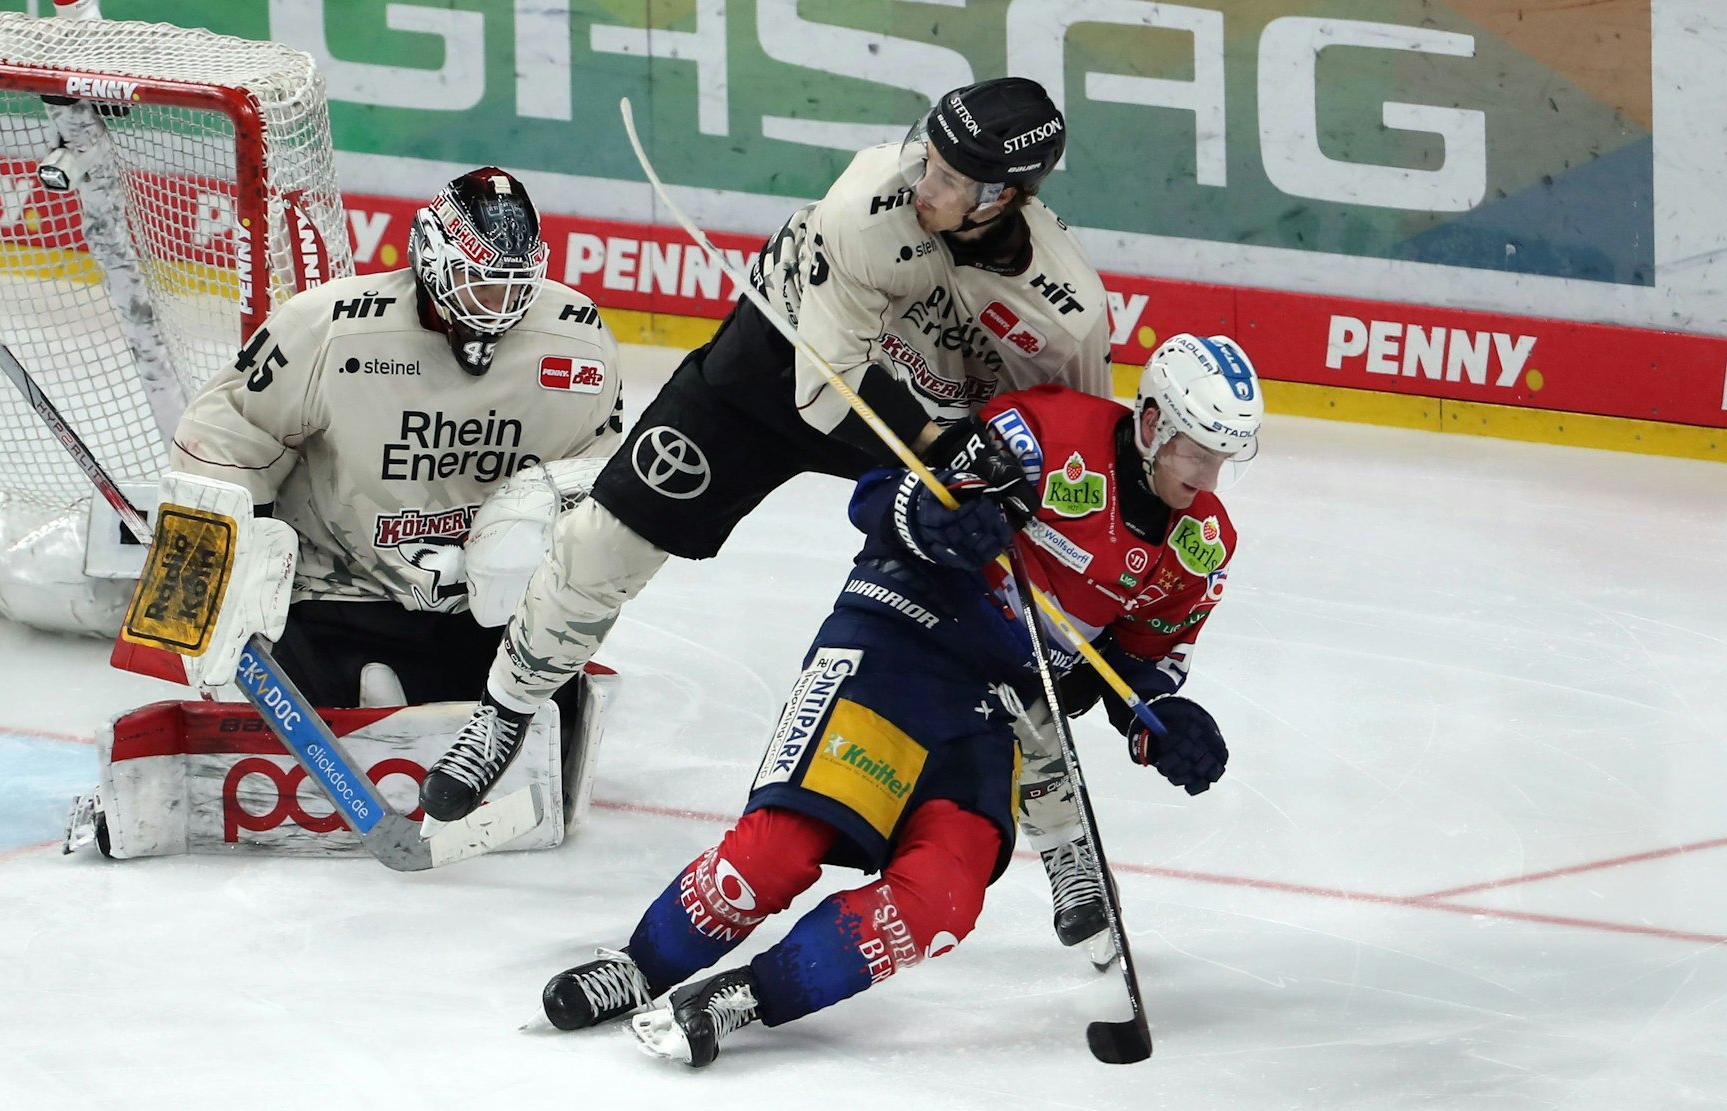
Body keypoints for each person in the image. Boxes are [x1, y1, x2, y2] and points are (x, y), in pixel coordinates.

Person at [533, 332, 1261, 1067]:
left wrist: (1160, 718)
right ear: (1149, 424)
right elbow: (880, 493)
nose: (1205, 476)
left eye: (1220, 458)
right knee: (776, 853)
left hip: (993, 706)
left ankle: (746, 995)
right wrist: (938, 523)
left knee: (947, 893)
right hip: (897, 640)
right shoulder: (1045, 433)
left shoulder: (1205, 541)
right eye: (1194, 451)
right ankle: (638, 966)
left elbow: (1136, 656)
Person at [422, 76, 1112, 823]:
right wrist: (943, 448)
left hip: (928, 430)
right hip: (774, 369)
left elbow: (1088, 459)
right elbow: (827, 390)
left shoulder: (1067, 312)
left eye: (948, 176)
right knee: (604, 535)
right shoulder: (868, 206)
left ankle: (1062, 840)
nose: (920, 179)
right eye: (925, 153)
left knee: (1006, 616)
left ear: (1000, 198)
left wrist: (1081, 617)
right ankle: (506, 706)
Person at [160, 165, 623, 712]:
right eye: (481, 282)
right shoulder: (329, 327)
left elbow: (598, 478)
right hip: (335, 593)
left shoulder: (578, 339)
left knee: (526, 738)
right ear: (433, 255)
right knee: (305, 741)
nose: (496, 305)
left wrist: (535, 560)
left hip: (485, 608)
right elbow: (225, 434)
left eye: (513, 287)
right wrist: (203, 576)